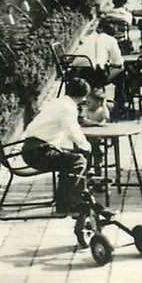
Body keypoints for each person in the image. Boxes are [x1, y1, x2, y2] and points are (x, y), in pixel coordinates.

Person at [21, 78, 93, 215]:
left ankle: (71, 199)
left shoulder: (58, 102)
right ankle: (67, 204)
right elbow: (72, 131)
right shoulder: (68, 108)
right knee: (78, 161)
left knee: (71, 158)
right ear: (83, 96)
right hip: (38, 152)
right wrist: (86, 146)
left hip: (32, 148)